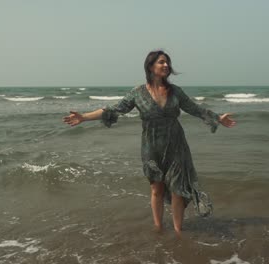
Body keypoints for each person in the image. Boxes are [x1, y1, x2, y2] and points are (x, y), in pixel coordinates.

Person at [62, 50, 236, 235]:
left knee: (178, 189)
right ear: (150, 66)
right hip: (151, 147)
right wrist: (84, 117)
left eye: (167, 63)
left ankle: (178, 231)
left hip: (176, 146)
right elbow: (113, 110)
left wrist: (217, 118)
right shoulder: (138, 92)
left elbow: (195, 109)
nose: (166, 65)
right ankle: (159, 228)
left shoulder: (175, 91)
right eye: (162, 62)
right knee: (156, 189)